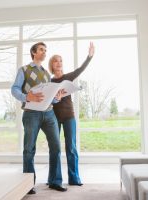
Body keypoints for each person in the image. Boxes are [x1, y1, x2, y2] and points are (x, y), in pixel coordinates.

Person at [11, 42, 67, 194]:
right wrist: (26, 96)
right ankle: (28, 184)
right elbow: (14, 89)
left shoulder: (47, 74)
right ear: (34, 52)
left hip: (49, 113)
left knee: (56, 147)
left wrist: (57, 98)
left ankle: (55, 181)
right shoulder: (24, 70)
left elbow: (48, 97)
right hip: (31, 113)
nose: (44, 52)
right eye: (42, 50)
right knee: (29, 149)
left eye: (45, 50)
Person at [48, 42, 95, 186]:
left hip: (69, 116)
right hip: (54, 117)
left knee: (72, 148)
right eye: (56, 60)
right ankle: (53, 180)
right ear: (52, 64)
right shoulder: (49, 81)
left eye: (61, 60)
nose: (59, 63)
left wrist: (89, 56)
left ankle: (74, 178)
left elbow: (80, 69)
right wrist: (55, 97)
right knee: (54, 149)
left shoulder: (68, 77)